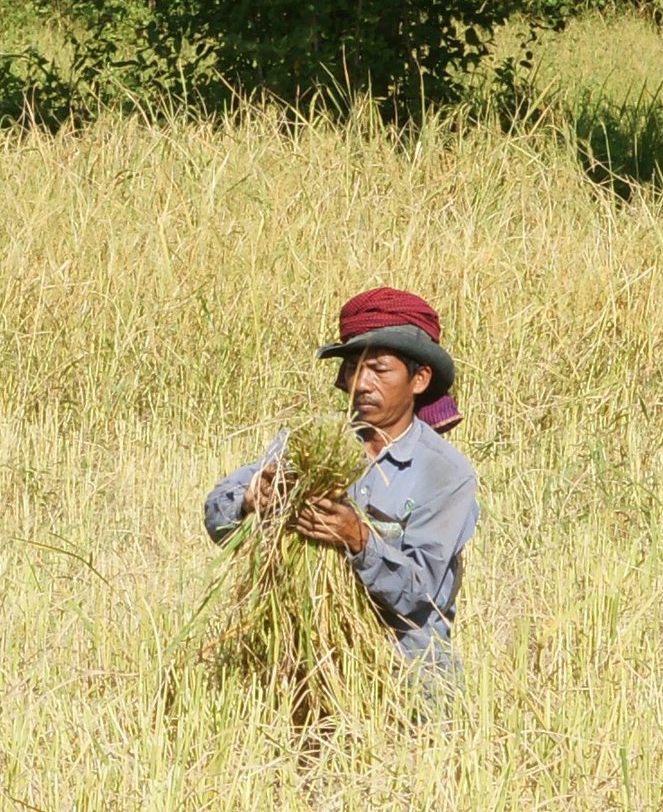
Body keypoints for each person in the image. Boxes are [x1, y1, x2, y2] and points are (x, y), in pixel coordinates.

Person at [203, 287, 479, 686]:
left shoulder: (446, 475)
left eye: (379, 369)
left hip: (401, 668)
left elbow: (420, 594)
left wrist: (358, 539)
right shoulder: (308, 444)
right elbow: (217, 518)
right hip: (296, 659)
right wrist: (249, 502)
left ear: (419, 379)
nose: (361, 383)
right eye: (352, 367)